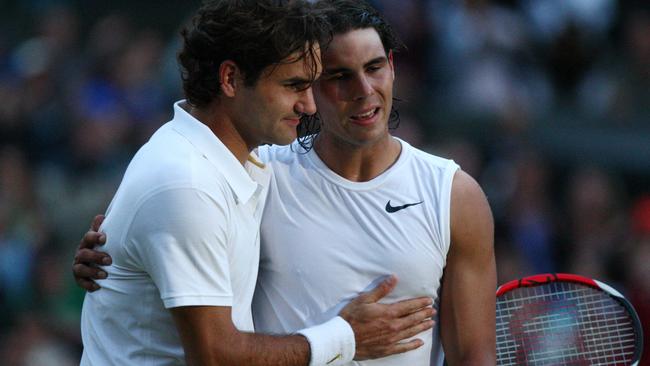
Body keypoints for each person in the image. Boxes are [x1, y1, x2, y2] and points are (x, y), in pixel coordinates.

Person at [74, 0, 496, 364]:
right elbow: (175, 208)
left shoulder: (454, 195)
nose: (365, 90)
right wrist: (118, 262)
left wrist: (119, 258)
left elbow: (474, 356)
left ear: (393, 67)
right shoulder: (251, 172)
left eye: (374, 68)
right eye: (337, 77)